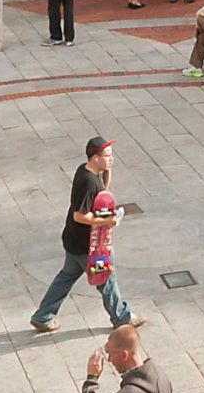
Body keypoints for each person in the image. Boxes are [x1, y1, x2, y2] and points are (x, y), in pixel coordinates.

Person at [31, 138, 135, 333]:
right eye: (107, 156)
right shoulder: (88, 181)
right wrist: (106, 222)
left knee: (67, 276)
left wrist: (108, 170)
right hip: (87, 245)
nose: (112, 159)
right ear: (95, 158)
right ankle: (121, 317)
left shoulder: (86, 170)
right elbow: (80, 215)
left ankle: (43, 316)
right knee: (106, 279)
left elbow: (102, 193)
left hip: (73, 240)